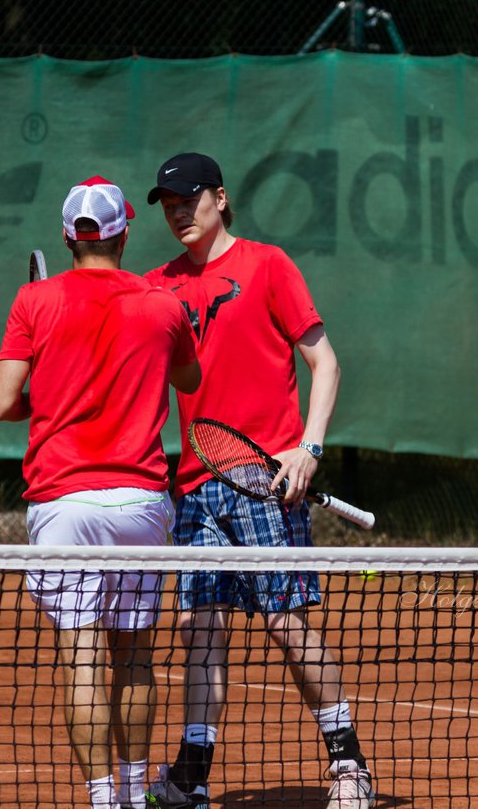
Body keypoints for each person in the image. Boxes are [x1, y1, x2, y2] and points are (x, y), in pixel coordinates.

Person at [141, 153, 375, 809]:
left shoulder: (268, 265)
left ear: (221, 198)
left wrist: (309, 449)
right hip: (193, 483)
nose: (178, 211)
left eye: (189, 199)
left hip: (266, 476)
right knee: (199, 629)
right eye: (167, 203)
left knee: (285, 623)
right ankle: (192, 775)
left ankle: (349, 766)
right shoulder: (157, 286)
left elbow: (324, 361)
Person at [0, 175, 201, 809]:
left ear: (66, 236)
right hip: (138, 501)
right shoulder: (165, 305)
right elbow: (188, 378)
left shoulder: (35, 302)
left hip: (64, 502)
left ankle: (104, 800)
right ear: (123, 232)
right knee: (134, 658)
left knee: (82, 658)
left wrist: (49, 395)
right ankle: (135, 797)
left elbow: (2, 403)